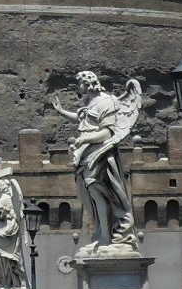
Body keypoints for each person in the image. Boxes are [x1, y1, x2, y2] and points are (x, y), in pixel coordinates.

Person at [52, 72, 141, 253]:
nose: (78, 88)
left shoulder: (107, 101)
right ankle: (101, 233)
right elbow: (83, 119)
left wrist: (84, 140)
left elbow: (108, 133)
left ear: (87, 83)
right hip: (87, 155)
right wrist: (61, 112)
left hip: (99, 155)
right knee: (90, 197)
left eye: (79, 84)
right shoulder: (91, 103)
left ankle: (106, 238)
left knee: (99, 194)